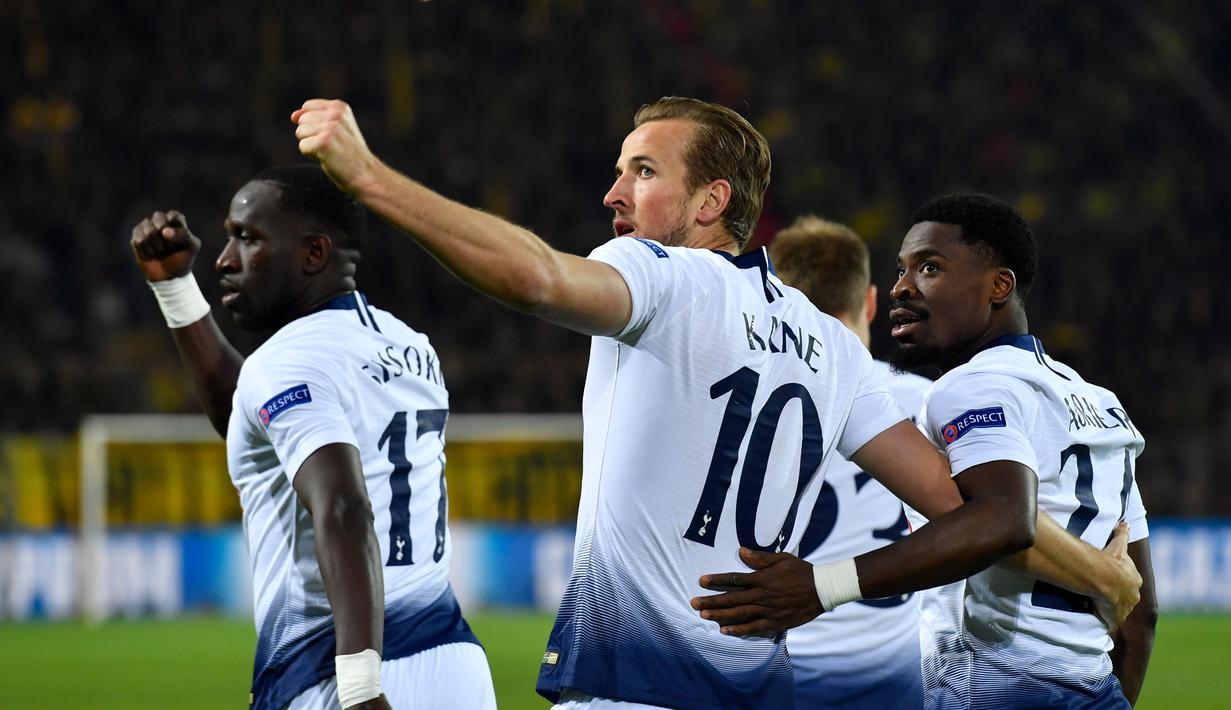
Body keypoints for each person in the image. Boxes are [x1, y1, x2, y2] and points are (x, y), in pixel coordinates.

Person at [291, 97, 1139, 710]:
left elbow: (536, 276)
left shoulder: (667, 279)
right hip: (755, 688)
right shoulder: (831, 345)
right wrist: (1101, 569)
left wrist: (368, 178)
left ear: (711, 203)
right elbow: (970, 510)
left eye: (642, 171)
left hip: (632, 685)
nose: (613, 195)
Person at [129, 165, 495, 710]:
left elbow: (345, 506)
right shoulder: (410, 345)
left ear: (314, 254)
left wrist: (359, 687)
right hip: (454, 665)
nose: (226, 260)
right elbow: (247, 417)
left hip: (334, 667)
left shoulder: (287, 361)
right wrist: (176, 289)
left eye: (248, 239)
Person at [885, 193, 1157, 708]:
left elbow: (1002, 521)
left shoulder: (969, 388)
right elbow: (1141, 612)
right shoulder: (1101, 405)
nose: (902, 286)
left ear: (998, 286)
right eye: (902, 269)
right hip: (1097, 689)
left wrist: (825, 586)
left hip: (991, 682)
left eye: (930, 268)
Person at [769, 216, 931, 709]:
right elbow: (993, 519)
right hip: (899, 683)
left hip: (778, 677)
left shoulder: (746, 409)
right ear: (871, 301)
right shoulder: (928, 404)